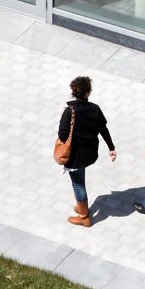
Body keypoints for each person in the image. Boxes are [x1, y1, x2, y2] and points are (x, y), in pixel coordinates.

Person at [56, 76, 115, 228]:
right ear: (88, 92)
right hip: (90, 153)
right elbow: (103, 129)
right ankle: (82, 206)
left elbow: (62, 135)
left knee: (78, 184)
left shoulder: (69, 111)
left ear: (73, 92)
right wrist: (111, 147)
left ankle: (84, 217)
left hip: (75, 156)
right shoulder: (95, 108)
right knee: (80, 181)